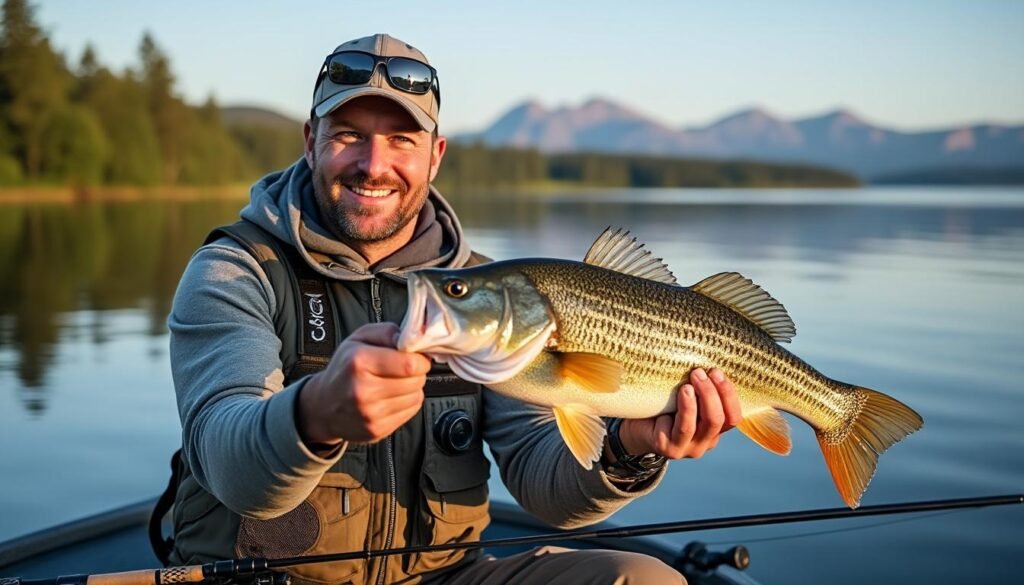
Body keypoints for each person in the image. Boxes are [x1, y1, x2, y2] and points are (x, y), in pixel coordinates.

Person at [165, 33, 742, 585]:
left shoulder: (490, 291)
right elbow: (227, 458)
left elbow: (547, 485)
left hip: (441, 577)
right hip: (267, 580)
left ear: (435, 155)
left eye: (401, 139)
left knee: (641, 578)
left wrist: (629, 447)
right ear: (310, 138)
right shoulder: (236, 270)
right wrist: (313, 415)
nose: (373, 163)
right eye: (348, 134)